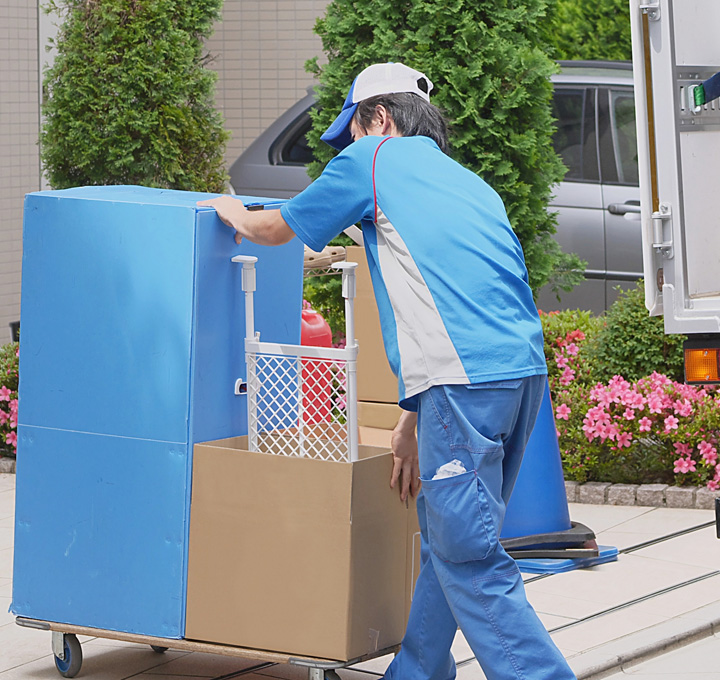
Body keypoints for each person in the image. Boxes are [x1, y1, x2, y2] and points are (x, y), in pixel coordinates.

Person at [198, 62, 575, 680]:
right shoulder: (467, 182)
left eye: (352, 128)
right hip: (519, 376)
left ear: (380, 118)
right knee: (447, 540)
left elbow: (275, 228)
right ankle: (417, 671)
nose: (347, 144)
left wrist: (231, 211)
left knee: (469, 557)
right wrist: (411, 415)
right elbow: (458, 298)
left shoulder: (372, 158)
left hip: (464, 385)